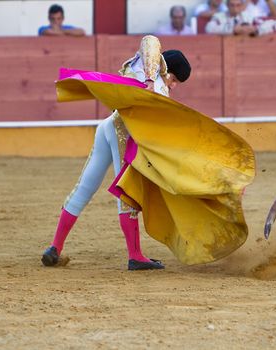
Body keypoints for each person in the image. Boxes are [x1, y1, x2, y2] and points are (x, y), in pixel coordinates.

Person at [42, 36, 192, 270]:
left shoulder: (146, 74)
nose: (173, 84)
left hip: (108, 127)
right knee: (127, 192)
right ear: (167, 68)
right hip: (122, 133)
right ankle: (135, 256)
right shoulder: (152, 73)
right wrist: (152, 79)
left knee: (84, 188)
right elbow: (150, 41)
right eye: (174, 79)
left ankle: (55, 247)